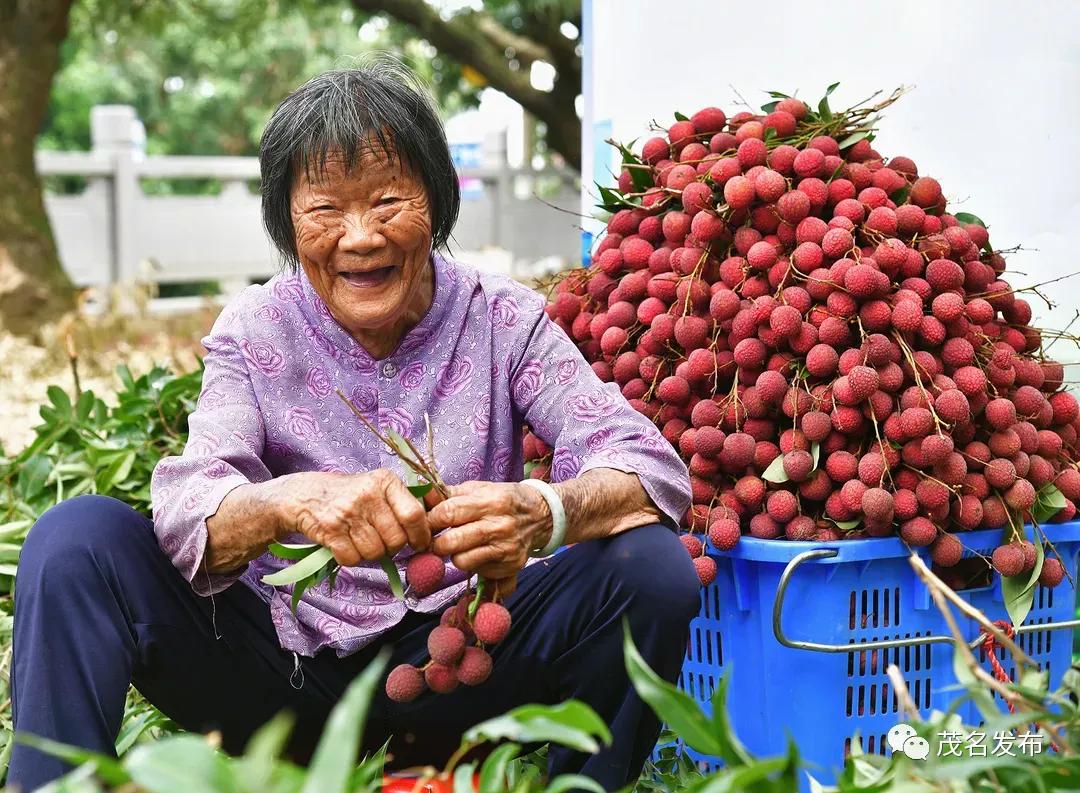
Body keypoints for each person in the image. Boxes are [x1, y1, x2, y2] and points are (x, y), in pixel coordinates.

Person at [10, 61, 698, 791]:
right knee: (74, 541)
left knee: (651, 569)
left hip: (456, 660)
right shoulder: (254, 328)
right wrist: (286, 501)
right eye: (325, 210)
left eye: (389, 200)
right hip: (280, 668)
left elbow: (650, 469)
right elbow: (187, 507)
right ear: (286, 221)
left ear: (437, 200)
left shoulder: (503, 318)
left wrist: (546, 512)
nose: (360, 236)